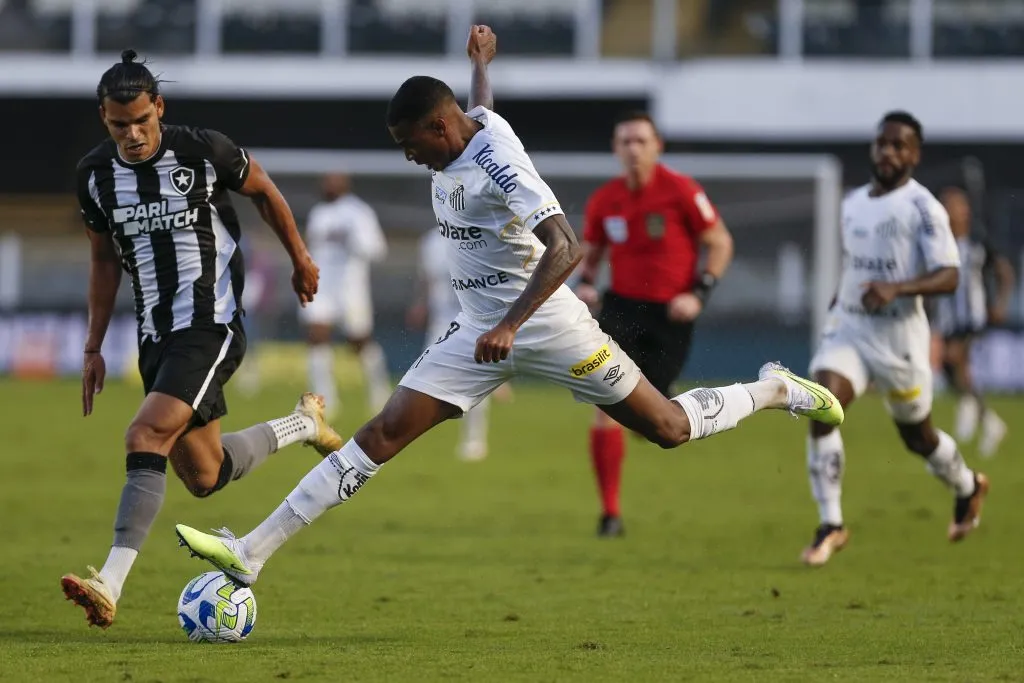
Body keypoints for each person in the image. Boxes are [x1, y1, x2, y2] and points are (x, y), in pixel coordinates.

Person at [173, 26, 843, 587]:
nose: (410, 157)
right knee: (381, 433)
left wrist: (512, 324)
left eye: (411, 144)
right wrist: (481, 67)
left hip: (547, 326)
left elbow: (566, 246)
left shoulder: (499, 162)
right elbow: (480, 114)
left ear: (439, 126)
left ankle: (776, 388)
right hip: (476, 330)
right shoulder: (474, 126)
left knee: (667, 427)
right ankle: (251, 551)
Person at [61, 50, 343, 628]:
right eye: (119, 125)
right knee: (204, 474)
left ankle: (109, 582)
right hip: (155, 334)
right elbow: (103, 261)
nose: (133, 134)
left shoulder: (202, 150)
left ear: (159, 108)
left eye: (142, 120)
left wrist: (300, 258)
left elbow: (264, 191)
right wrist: (92, 346)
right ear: (104, 120)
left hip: (210, 323)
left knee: (144, 433)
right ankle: (304, 424)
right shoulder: (94, 176)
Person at [799, 112, 989, 567]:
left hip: (899, 339)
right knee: (822, 405)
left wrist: (897, 289)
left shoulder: (923, 208)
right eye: (881, 143)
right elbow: (857, 263)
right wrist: (839, 299)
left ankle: (967, 486)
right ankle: (831, 523)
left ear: (914, 155)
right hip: (850, 327)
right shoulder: (852, 203)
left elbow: (949, 275)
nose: (887, 152)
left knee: (918, 437)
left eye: (898, 145)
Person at [576, 111, 734, 537]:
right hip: (620, 310)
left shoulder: (682, 190)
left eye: (641, 141)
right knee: (606, 405)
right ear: (615, 148)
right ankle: (610, 515)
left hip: (670, 314)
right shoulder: (605, 199)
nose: (633, 149)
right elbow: (592, 253)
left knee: (656, 423)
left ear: (657, 146)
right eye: (625, 141)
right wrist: (586, 284)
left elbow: (720, 242)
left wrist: (698, 294)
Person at [406, 226, 509, 461]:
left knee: (475, 379)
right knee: (421, 377)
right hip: (441, 320)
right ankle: (410, 432)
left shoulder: (481, 235)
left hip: (475, 319)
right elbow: (426, 278)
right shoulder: (431, 241)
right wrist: (420, 303)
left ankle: (474, 439)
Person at [932, 186, 1013, 458]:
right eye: (945, 205)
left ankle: (977, 414)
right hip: (948, 318)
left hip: (972, 317)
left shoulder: (978, 243)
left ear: (965, 211)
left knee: (955, 359)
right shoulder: (938, 245)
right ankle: (984, 418)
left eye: (953, 205)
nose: (948, 211)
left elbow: (1004, 272)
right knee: (950, 368)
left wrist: (1000, 304)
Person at [301, 173, 391, 417]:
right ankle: (325, 400)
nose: (327, 185)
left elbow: (377, 249)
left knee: (358, 342)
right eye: (325, 180)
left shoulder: (359, 212)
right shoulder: (318, 213)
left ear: (344, 184)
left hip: (350, 288)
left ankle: (379, 388)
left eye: (332, 180)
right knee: (317, 335)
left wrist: (355, 242)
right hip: (321, 286)